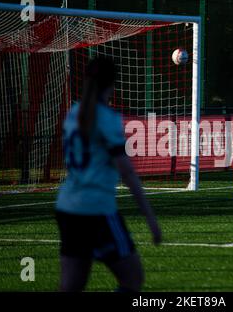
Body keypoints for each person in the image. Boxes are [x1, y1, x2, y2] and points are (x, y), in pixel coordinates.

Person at [55, 57, 161, 292]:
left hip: (67, 207)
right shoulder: (108, 119)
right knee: (132, 279)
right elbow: (128, 173)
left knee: (72, 286)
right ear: (113, 83)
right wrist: (151, 219)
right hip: (96, 210)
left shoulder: (73, 113)